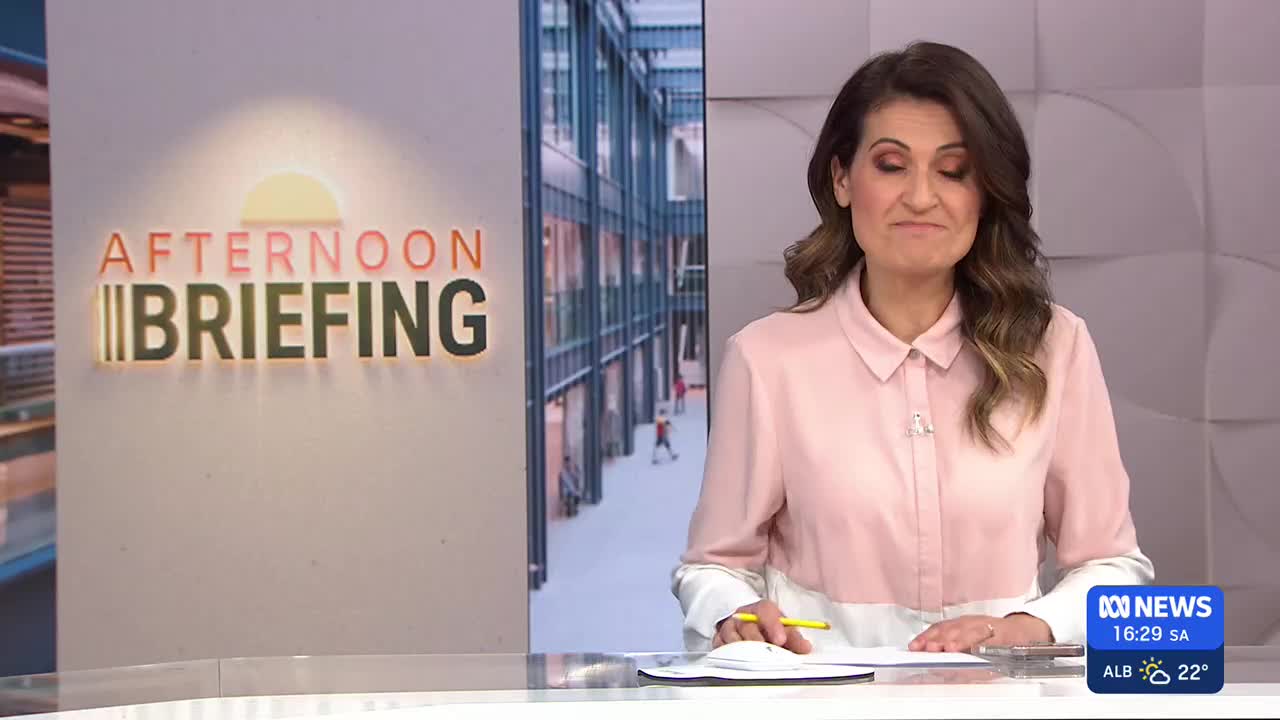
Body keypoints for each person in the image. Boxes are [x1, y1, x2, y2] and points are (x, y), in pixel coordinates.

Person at [673, 42, 1153, 654]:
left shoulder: (1055, 347)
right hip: (824, 694)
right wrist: (734, 612)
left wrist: (1028, 628)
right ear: (842, 179)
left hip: (1001, 696)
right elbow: (712, 567)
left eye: (953, 171)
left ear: (986, 192)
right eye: (892, 165)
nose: (922, 197)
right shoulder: (767, 358)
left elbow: (1113, 566)